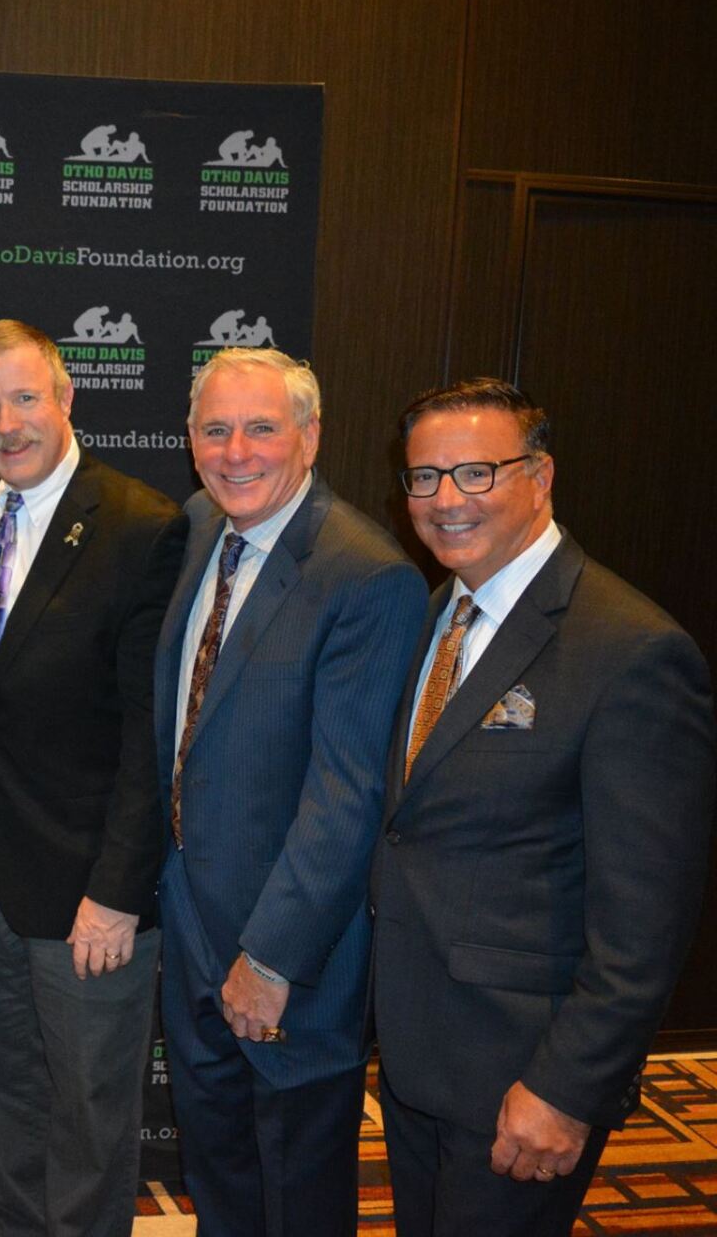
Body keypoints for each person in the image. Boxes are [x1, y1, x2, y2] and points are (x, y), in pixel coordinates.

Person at [373, 379, 714, 1236]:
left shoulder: (631, 651)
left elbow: (644, 923)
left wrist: (568, 1090)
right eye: (424, 478)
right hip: (418, 1061)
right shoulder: (433, 615)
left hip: (521, 1079)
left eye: (477, 472)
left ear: (542, 475)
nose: (446, 499)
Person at [154, 348, 427, 1237]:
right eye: (215, 429)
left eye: (262, 428)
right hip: (190, 920)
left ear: (309, 438)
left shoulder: (367, 574)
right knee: (221, 1175)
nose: (237, 451)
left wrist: (271, 960)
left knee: (300, 1189)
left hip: (291, 955)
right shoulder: (200, 523)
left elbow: (347, 795)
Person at [0, 321, 185, 1237]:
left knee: (90, 1113)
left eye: (24, 398)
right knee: (2, 1093)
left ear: (67, 395)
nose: (7, 424)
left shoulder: (143, 526)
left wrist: (118, 891)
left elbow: (149, 733)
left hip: (90, 891)